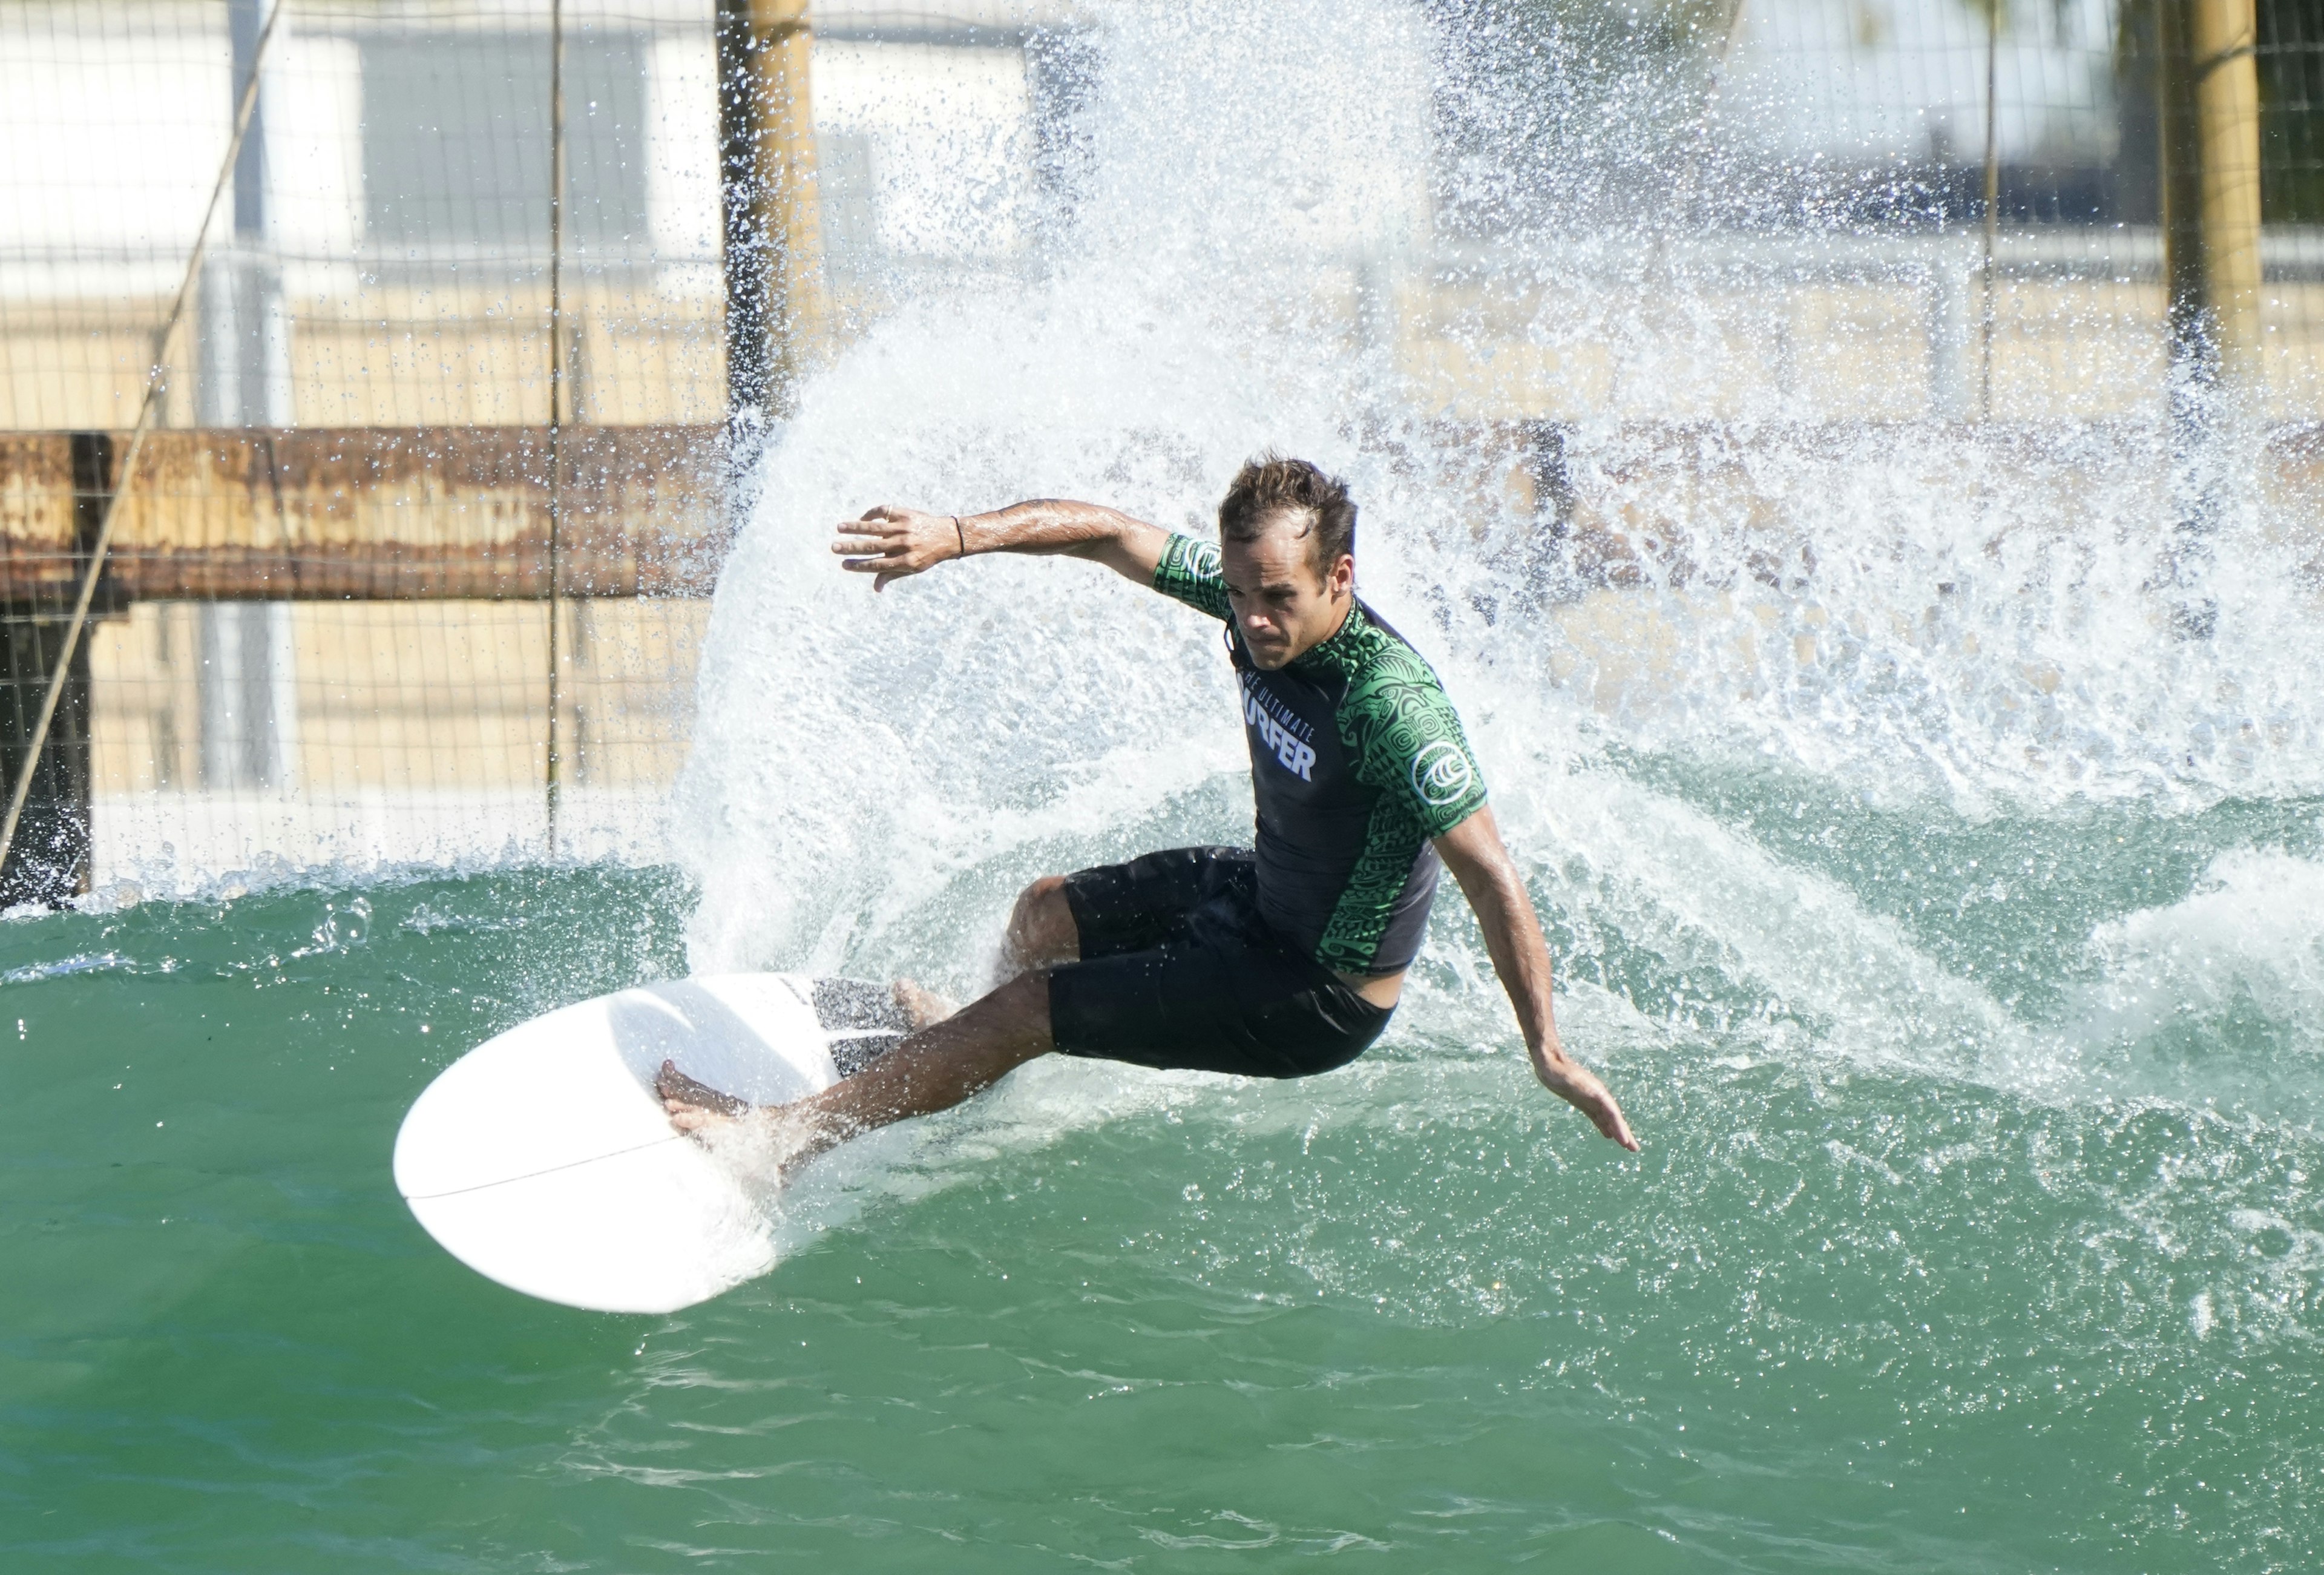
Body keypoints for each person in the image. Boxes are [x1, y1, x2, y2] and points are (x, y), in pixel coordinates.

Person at [657, 455, 1638, 1171]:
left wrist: (1545, 1049)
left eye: (1279, 598)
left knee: (1033, 1007)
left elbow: (1489, 872)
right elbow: (1110, 533)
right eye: (1242, 591)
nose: (1254, 619)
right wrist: (959, 535)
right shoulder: (1252, 597)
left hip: (1316, 993)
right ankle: (965, 1046)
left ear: (1340, 579)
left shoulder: (1392, 703)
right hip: (1264, 898)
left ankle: (788, 1135)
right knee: (1043, 914)